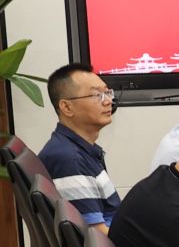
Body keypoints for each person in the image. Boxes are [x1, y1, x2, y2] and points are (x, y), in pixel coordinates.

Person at [40, 63, 121, 227]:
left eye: (107, 93)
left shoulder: (78, 149)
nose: (108, 101)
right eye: (97, 95)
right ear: (67, 107)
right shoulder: (69, 160)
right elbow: (95, 235)